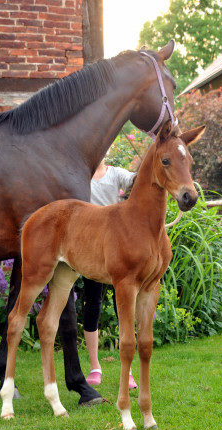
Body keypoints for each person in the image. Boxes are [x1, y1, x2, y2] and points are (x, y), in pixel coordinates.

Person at [83, 158, 138, 389]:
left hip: (116, 245)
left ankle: (129, 372)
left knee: (122, 306)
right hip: (91, 246)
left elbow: (136, 180)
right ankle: (95, 367)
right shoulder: (82, 175)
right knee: (92, 304)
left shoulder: (115, 174)